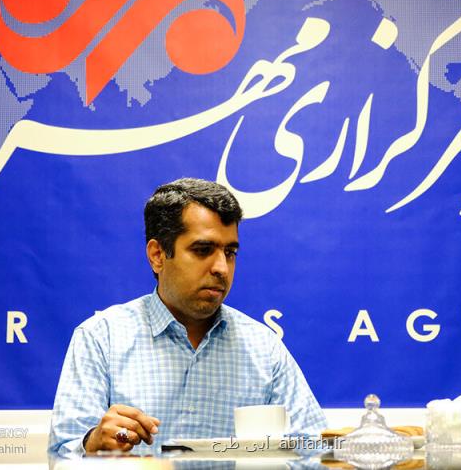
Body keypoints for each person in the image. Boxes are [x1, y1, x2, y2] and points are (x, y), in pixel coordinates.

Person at [48, 178, 326, 456]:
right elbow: (61, 454)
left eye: (230, 252)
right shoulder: (101, 338)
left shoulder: (264, 348)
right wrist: (92, 445)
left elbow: (316, 453)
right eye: (203, 250)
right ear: (157, 255)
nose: (222, 268)